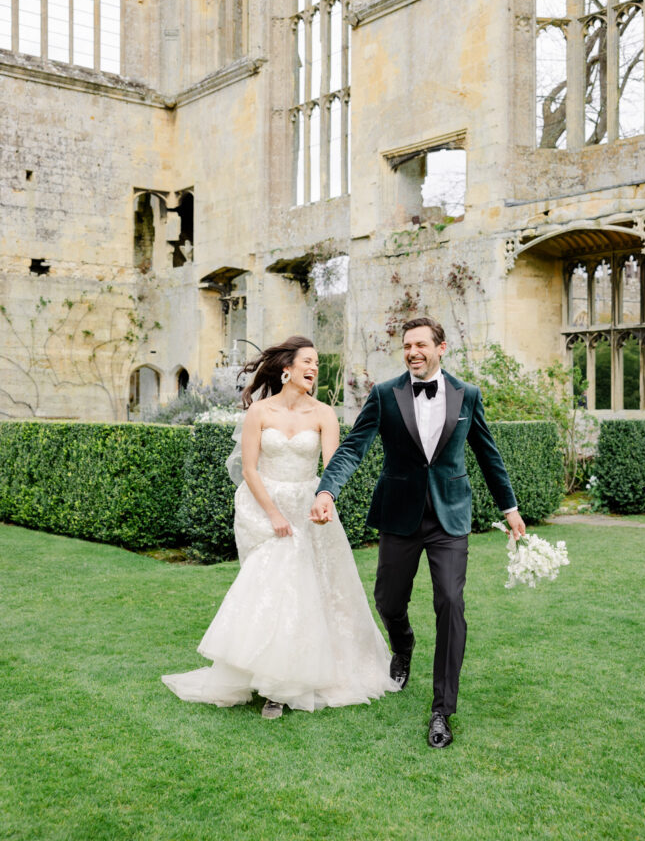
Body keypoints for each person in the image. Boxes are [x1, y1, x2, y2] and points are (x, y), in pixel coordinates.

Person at [310, 316, 526, 748]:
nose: (412, 352)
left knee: (450, 601)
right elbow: (354, 446)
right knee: (388, 600)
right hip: (400, 515)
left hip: (450, 518)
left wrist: (510, 507)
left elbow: (488, 453)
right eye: (407, 345)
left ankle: (442, 710)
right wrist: (327, 489)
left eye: (421, 345)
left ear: (441, 348)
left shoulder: (468, 395)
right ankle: (403, 644)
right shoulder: (385, 394)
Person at [162, 335, 399, 718]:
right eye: (308, 361)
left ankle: (285, 684)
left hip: (308, 508)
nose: (314, 369)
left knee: (310, 591)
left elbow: (332, 468)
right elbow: (250, 470)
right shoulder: (260, 413)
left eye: (318, 364)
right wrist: (273, 514)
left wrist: (326, 501)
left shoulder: (324, 413)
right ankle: (268, 676)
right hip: (265, 506)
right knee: (273, 587)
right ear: (286, 368)